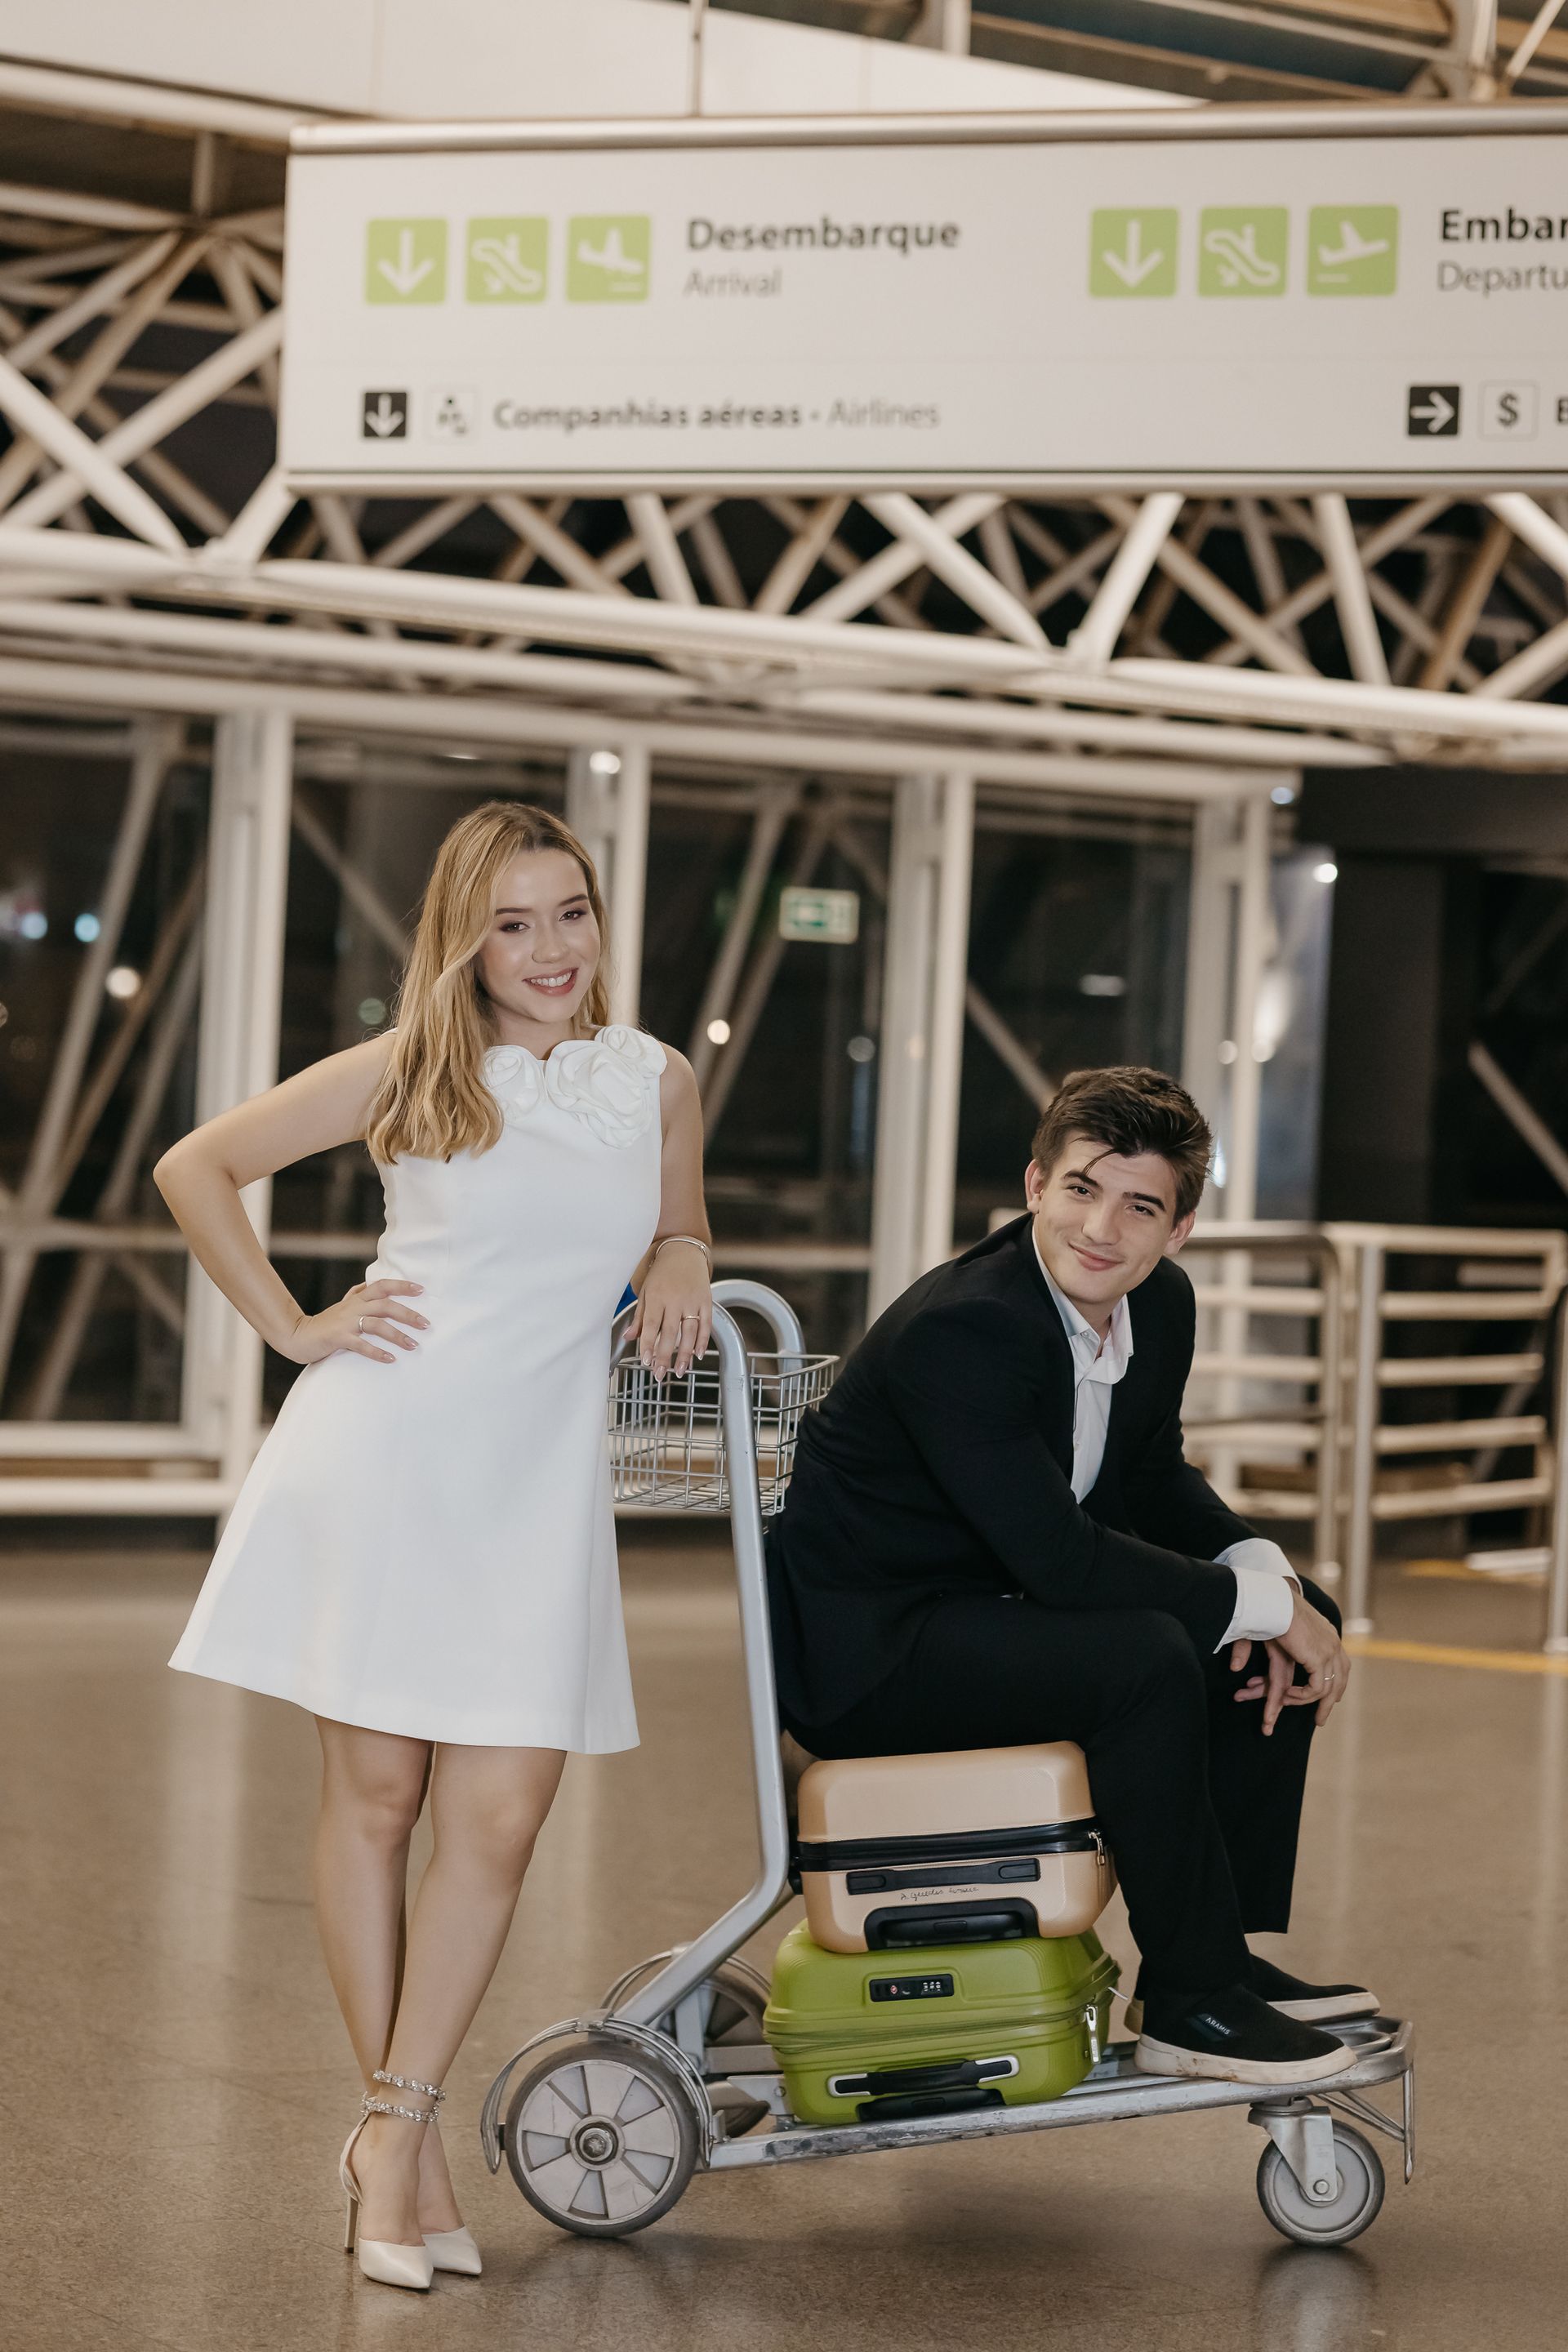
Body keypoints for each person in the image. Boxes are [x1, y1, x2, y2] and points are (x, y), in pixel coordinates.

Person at [159, 800, 711, 2292]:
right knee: (382, 1797)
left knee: (503, 1820)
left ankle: (388, 2139)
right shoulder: (416, 1065)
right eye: (512, 924)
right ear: (467, 941)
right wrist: (293, 1327)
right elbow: (196, 1166)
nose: (550, 950)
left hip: (537, 1486)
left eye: (571, 913)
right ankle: (404, 2138)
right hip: (389, 1454)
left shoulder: (655, 1077)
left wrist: (681, 1253)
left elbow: (679, 1224)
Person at [768, 1065, 1375, 2087]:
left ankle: (1212, 1958)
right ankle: (1192, 2006)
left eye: (1141, 1207)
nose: (1102, 1229)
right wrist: (1262, 1607)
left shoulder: (1159, 1304)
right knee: (1146, 1656)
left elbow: (1151, 1475)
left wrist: (1268, 1578)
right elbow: (1060, 1557)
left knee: (1283, 1610)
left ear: (1178, 1230)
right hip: (876, 1653)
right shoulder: (969, 1327)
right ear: (1036, 1183)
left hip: (986, 1606)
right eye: (1083, 1189)